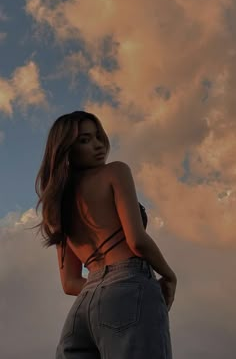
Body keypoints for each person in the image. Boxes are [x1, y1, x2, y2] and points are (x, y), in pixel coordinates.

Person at [30, 110, 177, 358]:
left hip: (82, 310)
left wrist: (102, 288)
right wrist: (170, 276)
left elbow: (69, 283)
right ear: (66, 150)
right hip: (129, 288)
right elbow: (137, 240)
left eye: (98, 136)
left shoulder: (57, 204)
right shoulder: (115, 172)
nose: (98, 145)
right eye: (85, 140)